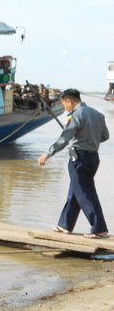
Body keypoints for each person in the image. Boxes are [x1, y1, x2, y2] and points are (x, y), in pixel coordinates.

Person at [38, 89, 109, 239]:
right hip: (93, 157)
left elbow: (64, 139)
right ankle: (65, 225)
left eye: (64, 105)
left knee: (84, 192)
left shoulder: (76, 115)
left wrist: (47, 154)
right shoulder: (98, 115)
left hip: (79, 158)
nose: (65, 108)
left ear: (69, 101)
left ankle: (99, 228)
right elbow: (105, 136)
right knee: (75, 192)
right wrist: (90, 139)